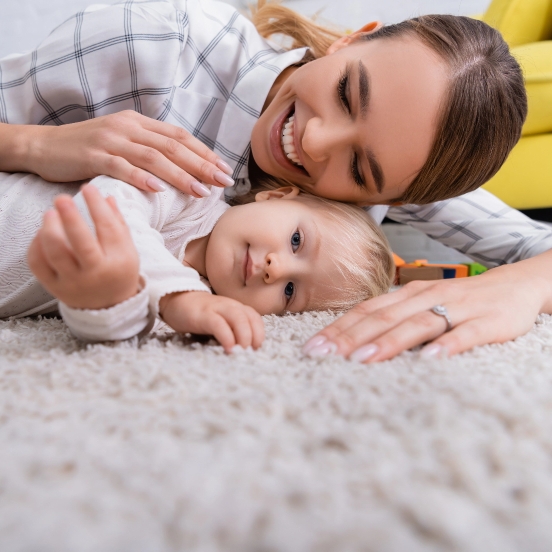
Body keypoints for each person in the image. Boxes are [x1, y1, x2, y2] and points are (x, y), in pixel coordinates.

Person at [0, 0, 551, 360]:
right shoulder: (158, 43)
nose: (314, 141)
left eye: (359, 169)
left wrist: (515, 288)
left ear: (396, 200)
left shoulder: (403, 170)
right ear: (351, 41)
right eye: (345, 94)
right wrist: (33, 144)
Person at [0, 172, 394, 351]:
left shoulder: (196, 304)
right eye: (296, 241)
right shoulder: (192, 190)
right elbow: (105, 205)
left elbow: (107, 330)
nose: (277, 269)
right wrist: (180, 297)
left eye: (290, 292)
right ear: (277, 197)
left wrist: (110, 302)